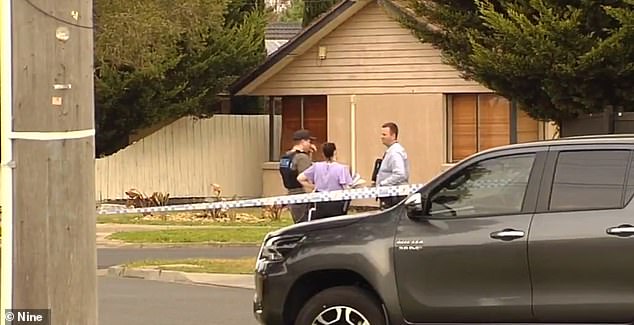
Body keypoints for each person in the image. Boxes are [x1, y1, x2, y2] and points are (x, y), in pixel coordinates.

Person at [297, 143, 353, 220]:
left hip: (320, 202)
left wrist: (314, 187)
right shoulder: (342, 169)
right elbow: (346, 187)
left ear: (323, 154)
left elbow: (300, 178)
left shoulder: (316, 166)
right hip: (336, 203)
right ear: (335, 152)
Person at [279, 129, 316, 223]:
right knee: (306, 224)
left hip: (291, 194)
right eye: (309, 141)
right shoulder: (302, 157)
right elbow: (307, 177)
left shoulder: (285, 157)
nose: (310, 144)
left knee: (298, 223)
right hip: (302, 194)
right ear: (303, 142)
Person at [376, 122, 409, 209]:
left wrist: (383, 184)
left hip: (394, 196)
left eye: (384, 134)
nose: (381, 137)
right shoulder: (391, 151)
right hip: (391, 194)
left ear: (393, 136)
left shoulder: (395, 153)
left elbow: (400, 174)